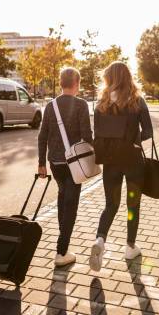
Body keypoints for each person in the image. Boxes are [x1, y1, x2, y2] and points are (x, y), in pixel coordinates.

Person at [90, 61, 153, 271]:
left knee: (111, 205)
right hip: (133, 160)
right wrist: (134, 138)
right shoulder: (137, 100)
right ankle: (130, 246)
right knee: (132, 206)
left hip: (110, 161)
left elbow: (97, 133)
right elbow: (148, 132)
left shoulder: (101, 103)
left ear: (109, 78)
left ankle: (100, 240)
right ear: (128, 77)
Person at [38, 67, 93, 267]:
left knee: (63, 197)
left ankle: (63, 246)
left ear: (61, 83)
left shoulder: (50, 105)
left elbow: (42, 136)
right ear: (76, 83)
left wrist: (41, 163)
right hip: (74, 164)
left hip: (55, 163)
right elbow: (87, 135)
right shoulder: (81, 105)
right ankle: (61, 252)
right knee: (71, 205)